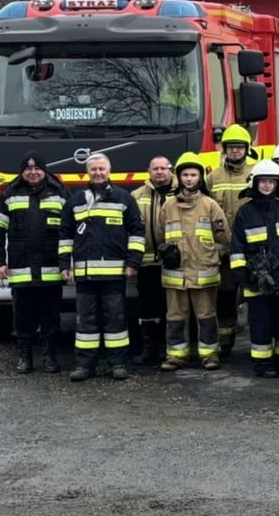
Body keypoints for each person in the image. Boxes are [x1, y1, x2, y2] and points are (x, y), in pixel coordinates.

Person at [59, 153, 145, 382]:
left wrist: (133, 262)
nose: (97, 173)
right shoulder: (75, 200)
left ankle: (118, 363)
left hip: (114, 274)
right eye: (93, 169)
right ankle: (85, 365)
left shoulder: (123, 198)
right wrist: (64, 264)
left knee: (115, 319)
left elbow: (136, 231)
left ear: (109, 171)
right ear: (87, 172)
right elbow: (65, 235)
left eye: (101, 169)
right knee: (85, 320)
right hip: (85, 276)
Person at [0, 153, 69, 374]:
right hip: (21, 270)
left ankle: (50, 357)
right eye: (28, 169)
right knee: (23, 318)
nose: (33, 173)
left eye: (37, 169)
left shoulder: (60, 193)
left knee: (51, 318)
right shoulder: (9, 194)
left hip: (51, 270)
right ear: (22, 172)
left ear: (44, 171)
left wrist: (67, 263)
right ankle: (25, 358)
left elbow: (70, 231)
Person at [156, 152, 229, 371]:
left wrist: (209, 257)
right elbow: (161, 235)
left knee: (206, 316)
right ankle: (177, 356)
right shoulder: (168, 206)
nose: (189, 179)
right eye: (185, 174)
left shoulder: (210, 205)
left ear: (200, 178)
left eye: (193, 174)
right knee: (176, 316)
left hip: (204, 273)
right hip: (175, 274)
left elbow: (224, 239)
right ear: (179, 177)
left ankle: (209, 355)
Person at [229, 160, 279, 378]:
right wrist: (242, 276)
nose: (268, 185)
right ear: (255, 183)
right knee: (261, 324)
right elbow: (237, 248)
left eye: (272, 181)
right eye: (264, 181)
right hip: (255, 280)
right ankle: (263, 365)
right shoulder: (244, 213)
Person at [208, 124, 255, 355]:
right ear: (224, 149)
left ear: (247, 148)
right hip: (224, 250)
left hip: (252, 249)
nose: (235, 151)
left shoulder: (256, 174)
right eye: (231, 147)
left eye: (239, 147)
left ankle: (259, 344)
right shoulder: (213, 177)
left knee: (255, 295)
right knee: (225, 296)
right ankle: (225, 343)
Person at [131, 156, 175, 365]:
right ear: (148, 171)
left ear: (170, 171)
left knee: (172, 308)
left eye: (163, 168)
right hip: (147, 263)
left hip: (174, 263)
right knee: (147, 308)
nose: (159, 172)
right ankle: (149, 347)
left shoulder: (182, 193)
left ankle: (170, 349)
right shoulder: (137, 195)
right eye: (155, 168)